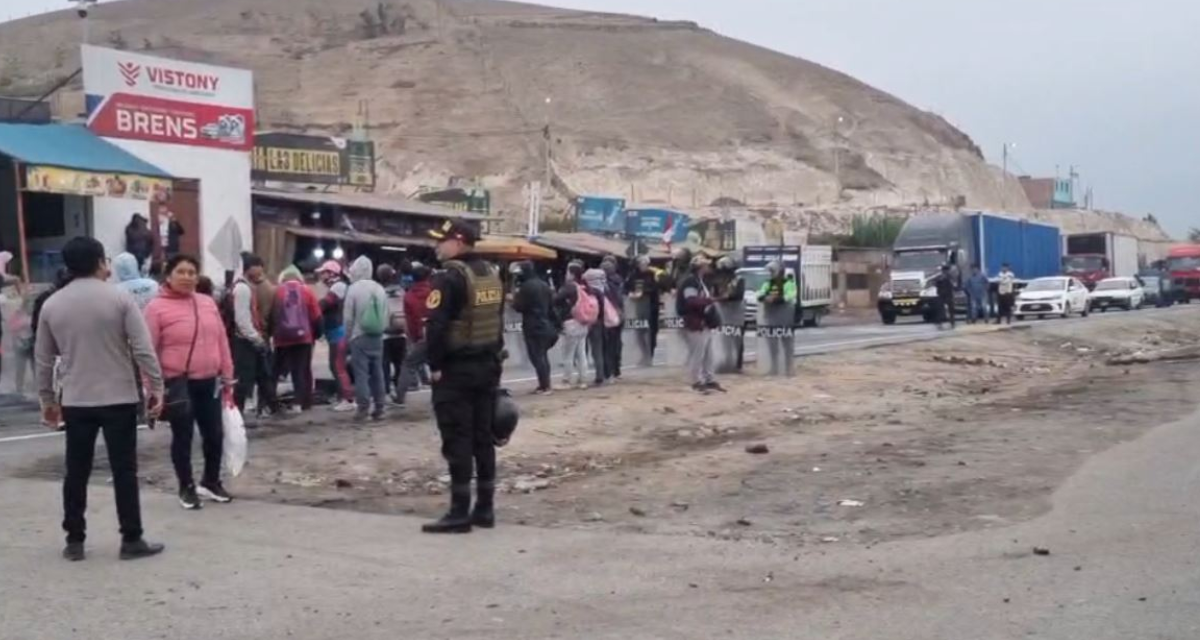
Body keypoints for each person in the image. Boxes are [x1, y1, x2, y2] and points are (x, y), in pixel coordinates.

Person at [35, 236, 165, 561]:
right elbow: (143, 348)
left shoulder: (53, 304)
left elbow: (43, 360)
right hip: (119, 396)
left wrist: (48, 400)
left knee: (76, 470)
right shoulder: (119, 299)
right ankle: (131, 538)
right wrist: (156, 387)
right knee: (124, 470)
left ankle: (74, 540)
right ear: (99, 262)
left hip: (76, 399)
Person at [421, 219, 505, 534]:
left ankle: (458, 512)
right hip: (486, 367)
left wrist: (435, 365)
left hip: (457, 370)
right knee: (483, 440)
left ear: (458, 242)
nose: (436, 247)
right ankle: (485, 508)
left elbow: (437, 326)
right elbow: (495, 325)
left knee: (458, 438)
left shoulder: (450, 277)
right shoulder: (491, 274)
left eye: (441, 241)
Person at [144, 254, 235, 510]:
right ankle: (186, 486)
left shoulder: (207, 302)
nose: (186, 277)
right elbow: (147, 350)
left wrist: (228, 374)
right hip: (178, 382)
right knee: (182, 436)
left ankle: (211, 480)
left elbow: (221, 340)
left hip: (210, 380)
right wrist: (152, 388)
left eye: (191, 272)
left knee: (215, 434)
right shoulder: (156, 308)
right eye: (181, 272)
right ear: (168, 276)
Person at [228, 254, 279, 420]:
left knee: (263, 375)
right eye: (259, 267)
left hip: (249, 339)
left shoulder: (246, 286)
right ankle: (238, 414)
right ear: (250, 268)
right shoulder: (242, 289)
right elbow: (242, 320)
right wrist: (256, 338)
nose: (261, 272)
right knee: (244, 379)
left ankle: (273, 407)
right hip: (245, 341)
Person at [343, 255, 390, 422]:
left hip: (359, 336)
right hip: (378, 336)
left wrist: (347, 337)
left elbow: (348, 318)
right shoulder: (379, 288)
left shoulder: (353, 289)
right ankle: (380, 408)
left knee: (361, 374)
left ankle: (362, 409)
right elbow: (386, 314)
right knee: (378, 373)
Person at [272, 265, 322, 413]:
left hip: (281, 338)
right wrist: (315, 335)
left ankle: (269, 402)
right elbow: (317, 316)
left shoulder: (277, 291)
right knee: (301, 370)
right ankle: (301, 403)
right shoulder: (307, 291)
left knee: (275, 370)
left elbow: (272, 314)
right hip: (304, 338)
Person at [510, 260, 556, 394]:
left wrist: (513, 299)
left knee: (537, 356)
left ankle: (544, 385)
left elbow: (519, 307)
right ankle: (546, 384)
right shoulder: (544, 284)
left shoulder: (526, 287)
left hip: (532, 324)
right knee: (543, 356)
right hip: (545, 323)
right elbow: (551, 305)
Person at [679, 255, 723, 393]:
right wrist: (709, 301)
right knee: (697, 354)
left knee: (709, 353)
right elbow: (691, 300)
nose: (708, 267)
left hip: (704, 322)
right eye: (705, 265)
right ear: (700, 267)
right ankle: (696, 380)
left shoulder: (700, 281)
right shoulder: (690, 282)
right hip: (695, 321)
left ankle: (709, 379)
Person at [317, 260, 356, 412]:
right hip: (336, 332)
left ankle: (348, 398)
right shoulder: (338, 286)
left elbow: (324, 304)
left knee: (338, 366)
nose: (321, 275)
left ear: (332, 273)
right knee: (335, 366)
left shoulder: (338, 286)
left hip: (338, 332)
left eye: (324, 272)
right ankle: (344, 396)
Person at [396, 264, 433, 406]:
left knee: (408, 364)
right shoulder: (434, 292)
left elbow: (410, 321)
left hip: (420, 336)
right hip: (437, 334)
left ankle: (400, 397)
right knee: (441, 366)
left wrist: (415, 337)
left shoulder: (409, 296)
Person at [554, 260, 592, 390]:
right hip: (583, 322)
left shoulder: (569, 287)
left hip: (571, 322)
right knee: (581, 353)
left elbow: (555, 300)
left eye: (567, 272)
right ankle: (583, 380)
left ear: (571, 274)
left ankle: (567, 380)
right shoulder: (584, 286)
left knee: (568, 354)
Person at [756, 260, 796, 376]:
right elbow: (759, 293)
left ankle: (788, 369)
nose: (771, 273)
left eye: (772, 271)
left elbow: (790, 295)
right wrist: (764, 298)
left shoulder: (788, 283)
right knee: (772, 345)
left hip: (785, 319)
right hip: (771, 318)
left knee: (787, 345)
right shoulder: (768, 283)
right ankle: (774, 368)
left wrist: (777, 299)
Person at [378, 264, 408, 400]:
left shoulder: (379, 292)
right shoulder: (402, 291)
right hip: (401, 332)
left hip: (385, 335)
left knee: (384, 365)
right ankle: (400, 393)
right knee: (400, 364)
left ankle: (386, 393)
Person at [626, 255, 663, 360]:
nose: (642, 266)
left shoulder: (653, 274)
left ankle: (650, 353)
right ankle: (643, 354)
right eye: (640, 264)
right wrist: (630, 293)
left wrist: (644, 292)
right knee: (639, 332)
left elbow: (656, 288)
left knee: (652, 332)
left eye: (644, 264)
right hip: (638, 308)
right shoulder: (633, 275)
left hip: (651, 307)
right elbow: (626, 287)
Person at [582, 267, 610, 386]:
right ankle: (600, 375)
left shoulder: (584, 290)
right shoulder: (602, 291)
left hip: (585, 322)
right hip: (598, 322)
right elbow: (603, 309)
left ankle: (582, 376)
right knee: (597, 350)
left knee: (582, 350)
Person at [600, 256, 625, 381]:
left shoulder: (603, 285)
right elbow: (621, 299)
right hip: (619, 315)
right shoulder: (619, 281)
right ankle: (617, 370)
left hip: (608, 316)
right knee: (616, 343)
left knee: (607, 345)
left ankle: (608, 371)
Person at [934, 264, 957, 330]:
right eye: (945, 270)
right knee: (940, 310)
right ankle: (939, 323)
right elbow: (936, 284)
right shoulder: (940, 277)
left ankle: (952, 323)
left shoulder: (950, 277)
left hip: (948, 294)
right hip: (941, 295)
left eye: (947, 270)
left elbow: (954, 285)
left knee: (951, 309)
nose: (946, 272)